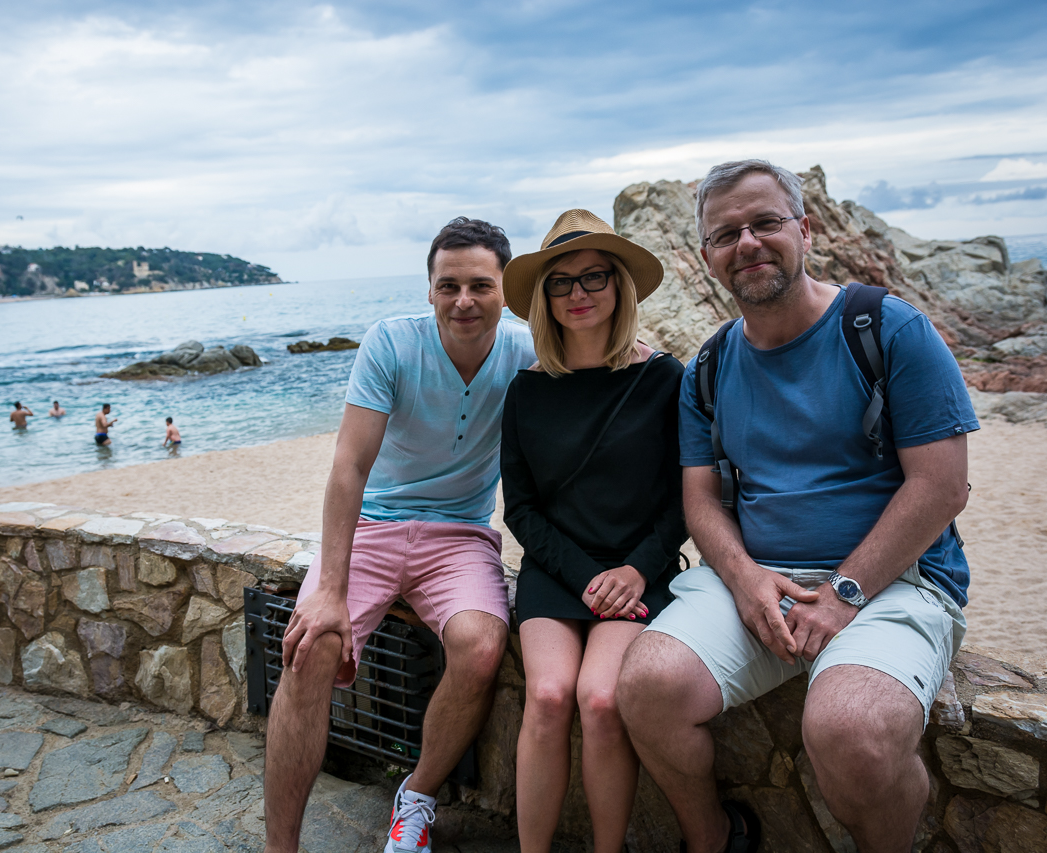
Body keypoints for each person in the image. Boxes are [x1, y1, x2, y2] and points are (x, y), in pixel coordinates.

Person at [615, 160, 976, 853]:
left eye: (765, 223)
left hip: (895, 581)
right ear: (707, 256)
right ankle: (714, 838)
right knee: (648, 685)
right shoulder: (710, 366)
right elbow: (700, 500)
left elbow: (941, 486)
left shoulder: (889, 329)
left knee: (851, 732)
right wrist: (746, 579)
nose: (747, 243)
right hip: (760, 581)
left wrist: (843, 593)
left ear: (805, 231)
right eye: (725, 234)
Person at [264, 217, 536, 853]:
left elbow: (599, 361)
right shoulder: (390, 342)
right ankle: (280, 847)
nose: (463, 300)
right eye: (448, 286)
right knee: (311, 647)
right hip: (373, 526)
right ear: (429, 289)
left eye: (480, 285)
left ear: (506, 290)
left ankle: (416, 797)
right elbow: (349, 467)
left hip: (460, 534)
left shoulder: (526, 351)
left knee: (481, 647)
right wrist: (329, 589)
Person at [499, 210, 687, 853]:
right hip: (559, 570)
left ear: (619, 284)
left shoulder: (664, 379)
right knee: (550, 696)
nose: (578, 293)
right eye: (561, 281)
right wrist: (584, 577)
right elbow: (521, 510)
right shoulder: (525, 391)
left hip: (640, 568)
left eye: (594, 277)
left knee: (602, 700)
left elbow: (686, 498)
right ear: (544, 297)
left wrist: (636, 569)